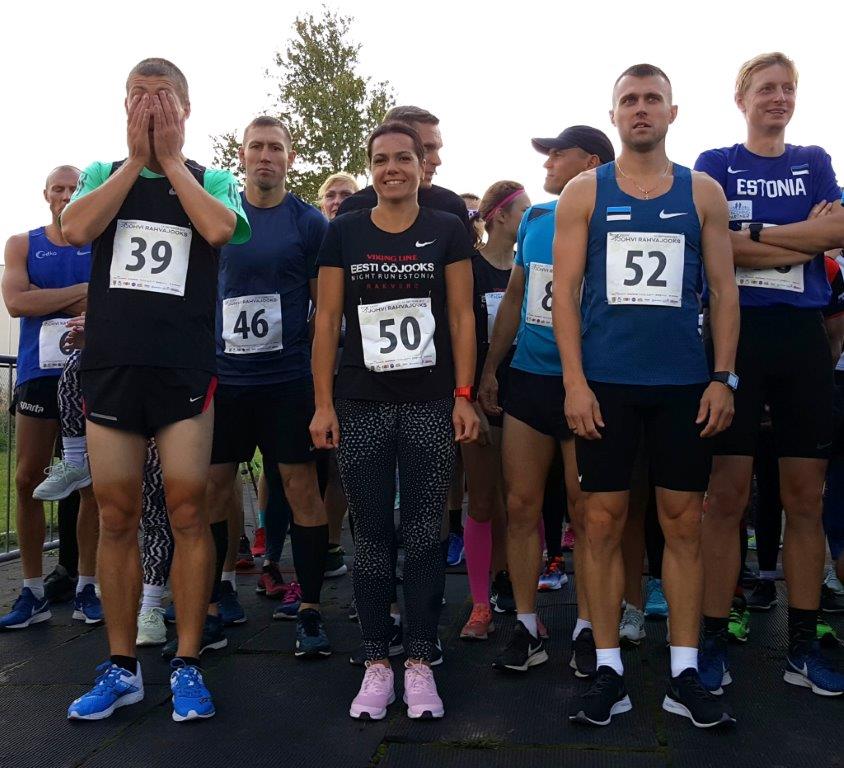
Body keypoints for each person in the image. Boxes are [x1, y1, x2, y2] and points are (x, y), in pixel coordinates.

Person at [61, 57, 250, 722]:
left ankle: (188, 660)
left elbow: (220, 230)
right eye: (137, 95)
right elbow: (77, 229)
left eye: (161, 96)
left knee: (187, 509)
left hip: (183, 370)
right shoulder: (99, 175)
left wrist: (169, 161)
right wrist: (135, 162)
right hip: (113, 368)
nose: (147, 106)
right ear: (122, 105)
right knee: (116, 514)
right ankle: (121, 666)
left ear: (185, 110)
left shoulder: (212, 178)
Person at [554, 64, 739, 728]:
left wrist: (723, 377)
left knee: (683, 524)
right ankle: (608, 668)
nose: (640, 109)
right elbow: (565, 294)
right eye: (629, 100)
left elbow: (725, 291)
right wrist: (575, 382)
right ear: (614, 115)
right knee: (600, 523)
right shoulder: (584, 191)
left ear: (672, 112)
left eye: (652, 99)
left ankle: (684, 673)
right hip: (605, 384)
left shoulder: (702, 192)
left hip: (683, 385)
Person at [310, 121, 478, 720]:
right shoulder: (345, 231)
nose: (392, 169)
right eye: (381, 160)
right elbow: (327, 321)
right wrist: (323, 403)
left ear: (420, 164)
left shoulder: (447, 228)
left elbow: (462, 316)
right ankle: (377, 657)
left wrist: (463, 395)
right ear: (371, 168)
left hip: (430, 400)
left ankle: (422, 657)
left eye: (403, 158)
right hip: (362, 402)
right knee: (373, 533)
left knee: (427, 532)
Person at [695, 52, 844, 698]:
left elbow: (839, 231)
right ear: (742, 99)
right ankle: (709, 636)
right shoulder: (716, 162)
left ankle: (802, 644)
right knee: (726, 497)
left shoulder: (813, 159)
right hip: (738, 337)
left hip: (802, 338)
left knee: (804, 498)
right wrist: (801, 234)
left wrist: (751, 233)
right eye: (765, 89)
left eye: (787, 88)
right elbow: (715, 243)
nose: (778, 98)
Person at [479, 126, 615, 675]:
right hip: (531, 380)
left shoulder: (615, 217)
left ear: (591, 162)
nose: (547, 164)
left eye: (558, 154)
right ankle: (526, 623)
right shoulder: (535, 219)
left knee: (587, 513)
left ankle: (587, 624)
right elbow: (515, 298)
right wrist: (491, 368)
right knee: (520, 505)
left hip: (589, 384)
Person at [202, 115, 331, 658]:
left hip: (286, 380)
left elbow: (325, 310)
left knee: (301, 489)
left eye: (275, 147)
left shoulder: (309, 222)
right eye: (256, 146)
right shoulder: (220, 213)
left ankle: (310, 610)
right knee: (213, 489)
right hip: (225, 380)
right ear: (242, 154)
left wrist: (320, 391)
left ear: (290, 158)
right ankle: (212, 602)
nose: (265, 156)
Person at [0, 166, 100, 630]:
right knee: (27, 479)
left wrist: (47, 296)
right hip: (38, 375)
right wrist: (80, 293)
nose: (66, 195)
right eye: (58, 188)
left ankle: (87, 586)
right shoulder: (22, 243)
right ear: (46, 195)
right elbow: (17, 303)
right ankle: (33, 590)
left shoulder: (101, 243)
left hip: (91, 374)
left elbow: (109, 301)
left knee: (91, 484)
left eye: (74, 188)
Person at [460, 181, 530, 640]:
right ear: (500, 216)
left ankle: (516, 591)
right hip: (481, 397)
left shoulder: (531, 265)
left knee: (522, 501)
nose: (531, 218)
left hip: (526, 394)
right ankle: (479, 604)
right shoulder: (470, 269)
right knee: (484, 499)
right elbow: (458, 334)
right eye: (524, 211)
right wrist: (467, 396)